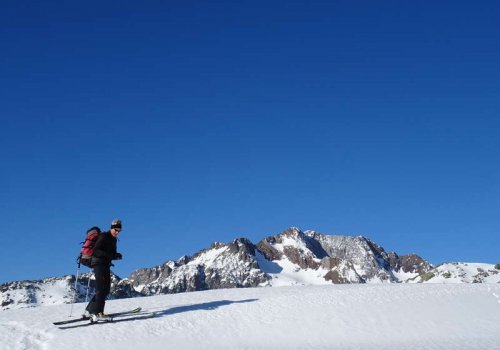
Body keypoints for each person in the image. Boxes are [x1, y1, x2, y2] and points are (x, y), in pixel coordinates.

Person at [85, 219, 123, 321]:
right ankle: (98, 313)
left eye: (119, 230)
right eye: (116, 230)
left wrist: (116, 255)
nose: (117, 232)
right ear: (111, 228)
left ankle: (91, 310)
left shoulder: (114, 240)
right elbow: (96, 251)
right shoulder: (104, 236)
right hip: (98, 263)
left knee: (106, 289)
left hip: (105, 264)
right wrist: (110, 255)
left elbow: (110, 253)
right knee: (101, 288)